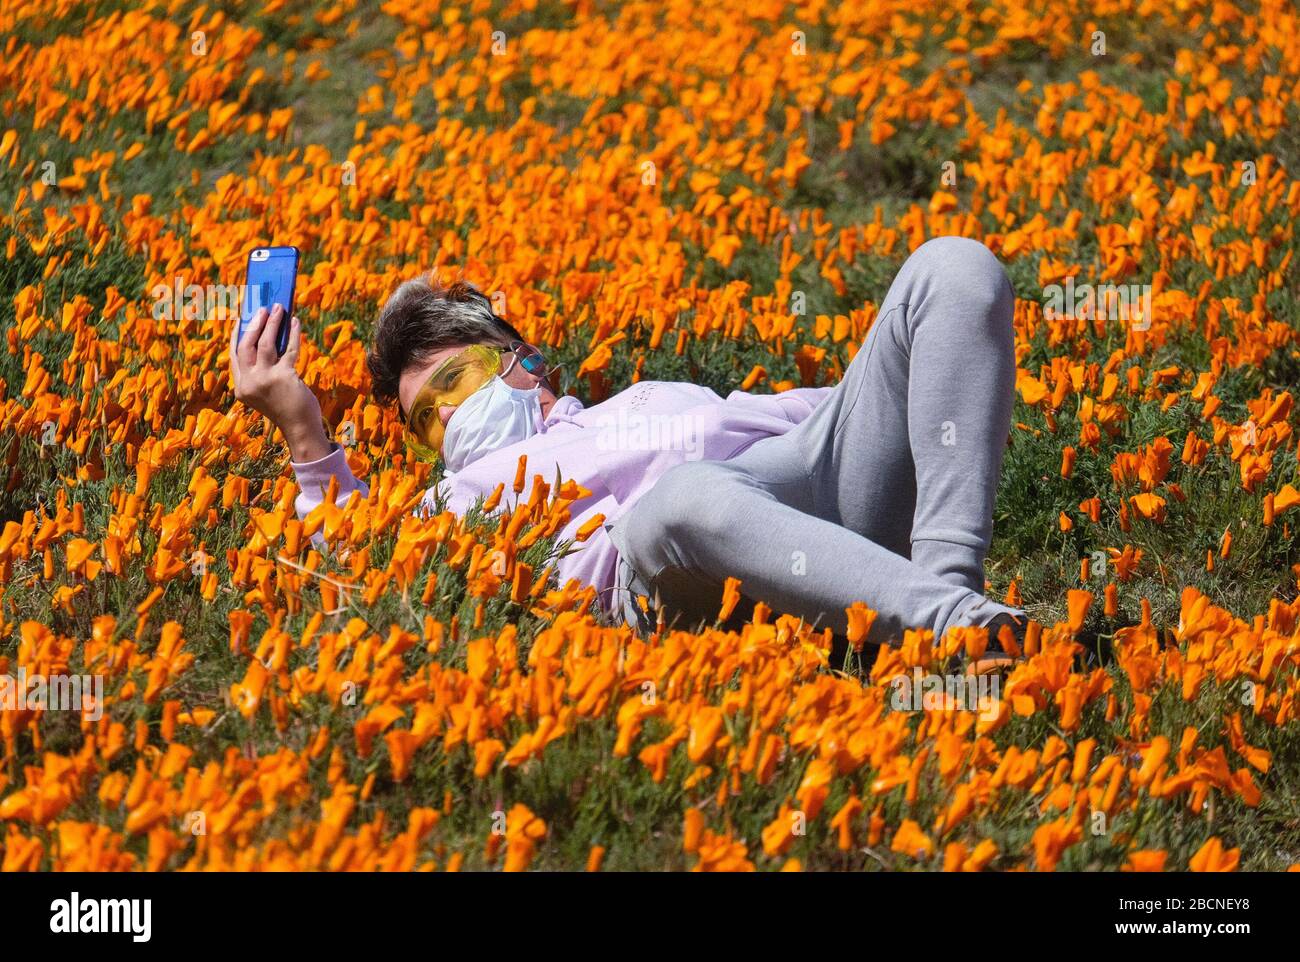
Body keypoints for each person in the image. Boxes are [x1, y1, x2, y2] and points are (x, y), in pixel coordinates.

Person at [229, 236, 1027, 662]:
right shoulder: (446, 507)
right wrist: (303, 429)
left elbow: (856, 411)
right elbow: (352, 575)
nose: (449, 421)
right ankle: (957, 628)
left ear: (523, 363)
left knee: (951, 268)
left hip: (811, 495)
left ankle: (954, 598)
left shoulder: (654, 399)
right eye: (426, 421)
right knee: (684, 498)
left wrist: (939, 389)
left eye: (455, 382)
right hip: (661, 576)